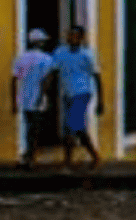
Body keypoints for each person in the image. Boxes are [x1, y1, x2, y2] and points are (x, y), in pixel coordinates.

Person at [49, 25, 102, 171]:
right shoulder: (60, 53)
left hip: (83, 93)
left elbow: (96, 76)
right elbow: (53, 71)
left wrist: (100, 100)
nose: (71, 38)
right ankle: (95, 156)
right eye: (69, 35)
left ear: (81, 38)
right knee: (79, 129)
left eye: (74, 35)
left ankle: (67, 162)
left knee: (69, 128)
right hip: (68, 94)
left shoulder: (87, 55)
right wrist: (45, 90)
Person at [10, 29, 54, 169]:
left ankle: (28, 155)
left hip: (24, 97)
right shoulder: (47, 59)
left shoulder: (21, 58)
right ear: (40, 43)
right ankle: (31, 157)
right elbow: (47, 81)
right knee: (35, 129)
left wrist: (13, 101)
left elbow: (13, 80)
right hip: (38, 98)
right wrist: (42, 96)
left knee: (28, 127)